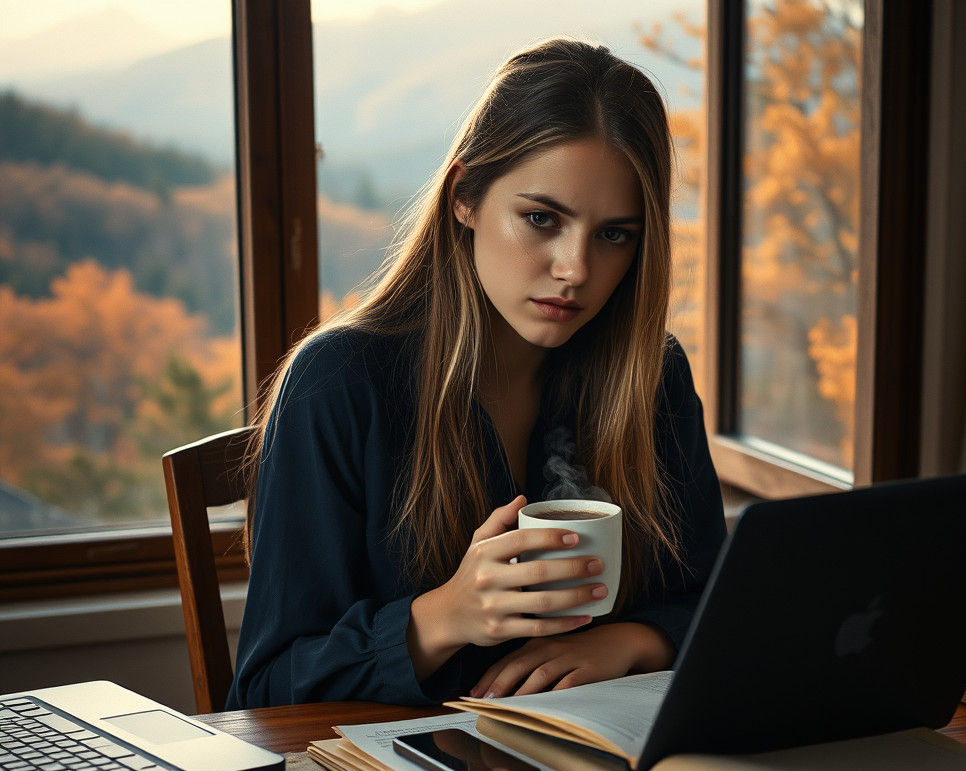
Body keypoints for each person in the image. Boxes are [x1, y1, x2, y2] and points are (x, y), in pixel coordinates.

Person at [226, 38, 726, 711]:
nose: (575, 268)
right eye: (542, 219)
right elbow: (260, 695)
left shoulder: (651, 376)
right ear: (465, 197)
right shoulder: (339, 383)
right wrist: (443, 618)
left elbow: (718, 604)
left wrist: (636, 641)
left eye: (615, 235)